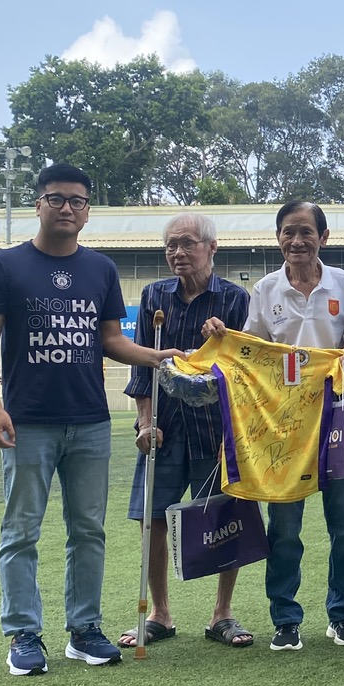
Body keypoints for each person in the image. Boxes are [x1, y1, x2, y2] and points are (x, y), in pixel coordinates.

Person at [0, 163, 180, 677]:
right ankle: (23, 632)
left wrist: (154, 357)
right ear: (38, 204)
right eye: (57, 199)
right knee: (21, 530)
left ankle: (84, 628)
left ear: (87, 213)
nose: (67, 208)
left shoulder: (100, 270)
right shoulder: (3, 265)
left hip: (89, 422)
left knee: (88, 530)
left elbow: (110, 339)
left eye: (77, 202)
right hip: (28, 423)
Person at [115, 213, 253, 651]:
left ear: (212, 248)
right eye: (171, 245)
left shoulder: (235, 299)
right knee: (153, 519)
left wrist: (225, 340)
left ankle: (222, 614)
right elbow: (144, 366)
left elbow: (245, 370)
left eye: (187, 244)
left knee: (227, 518)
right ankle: (160, 614)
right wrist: (145, 422)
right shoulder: (155, 294)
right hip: (165, 430)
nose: (178, 252)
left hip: (217, 430)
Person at [234, 201, 344, 651]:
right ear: (278, 239)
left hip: (339, 415)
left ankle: (343, 612)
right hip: (283, 425)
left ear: (323, 238)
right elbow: (252, 352)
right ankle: (285, 618)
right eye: (289, 232)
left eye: (306, 232)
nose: (297, 241)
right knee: (284, 527)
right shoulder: (265, 290)